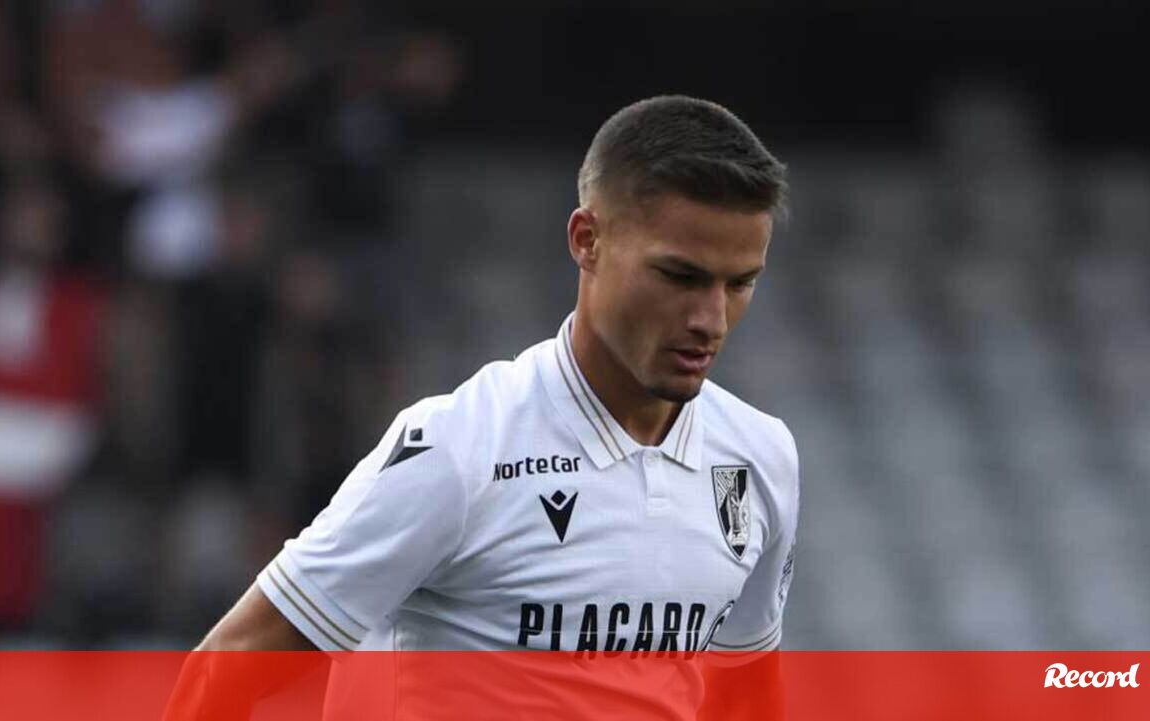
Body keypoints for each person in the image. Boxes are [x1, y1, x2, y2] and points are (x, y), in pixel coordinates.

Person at [167, 95, 797, 720]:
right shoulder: (458, 450)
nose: (711, 320)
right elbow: (225, 667)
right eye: (680, 277)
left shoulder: (760, 458)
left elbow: (743, 701)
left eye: (740, 283)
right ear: (588, 241)